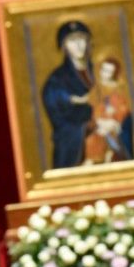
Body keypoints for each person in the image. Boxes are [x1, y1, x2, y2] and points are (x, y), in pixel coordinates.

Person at [42, 21, 94, 169]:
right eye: (72, 41)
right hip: (74, 139)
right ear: (64, 46)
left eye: (81, 39)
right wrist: (72, 100)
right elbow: (52, 98)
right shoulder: (58, 78)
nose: (78, 45)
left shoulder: (98, 69)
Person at [83, 57, 133, 164]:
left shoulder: (119, 88)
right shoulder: (96, 88)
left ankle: (109, 157)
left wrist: (115, 119)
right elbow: (91, 106)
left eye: (109, 72)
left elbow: (124, 108)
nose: (105, 74)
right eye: (104, 70)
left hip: (115, 123)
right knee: (92, 140)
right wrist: (99, 120)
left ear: (114, 73)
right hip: (99, 122)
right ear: (100, 70)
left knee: (110, 139)